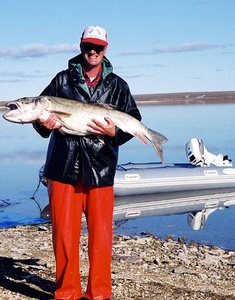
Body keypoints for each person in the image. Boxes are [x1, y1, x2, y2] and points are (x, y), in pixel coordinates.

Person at [33, 26, 141, 300]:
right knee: (64, 236)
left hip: (101, 170)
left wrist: (113, 133)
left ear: (106, 49)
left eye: (98, 47)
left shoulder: (118, 86)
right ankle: (67, 293)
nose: (92, 52)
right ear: (80, 46)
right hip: (62, 168)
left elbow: (132, 122)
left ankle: (99, 294)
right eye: (88, 47)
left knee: (102, 237)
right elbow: (40, 120)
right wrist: (43, 124)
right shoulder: (61, 80)